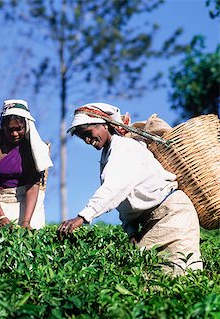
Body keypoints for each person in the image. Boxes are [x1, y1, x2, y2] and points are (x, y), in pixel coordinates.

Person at [57, 102, 203, 275]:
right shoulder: (108, 156)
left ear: (103, 125)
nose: (88, 141)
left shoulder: (124, 148)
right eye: (84, 138)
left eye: (89, 133)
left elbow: (113, 190)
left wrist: (82, 218)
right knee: (152, 279)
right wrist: (132, 230)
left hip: (173, 216)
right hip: (152, 221)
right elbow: (124, 201)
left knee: (181, 275)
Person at [0, 99, 53, 229]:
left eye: (18, 129)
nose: (14, 134)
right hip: (0, 200)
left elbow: (33, 184)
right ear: (3, 127)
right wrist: (1, 217)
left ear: (26, 126)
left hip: (29, 202)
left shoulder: (33, 147)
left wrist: (26, 221)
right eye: (9, 130)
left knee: (32, 239)